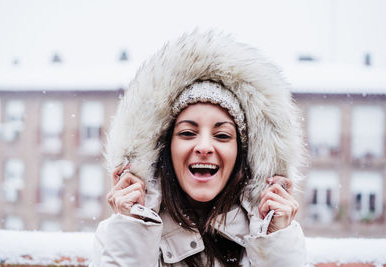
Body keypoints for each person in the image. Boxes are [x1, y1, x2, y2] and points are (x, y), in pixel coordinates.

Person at [91, 30, 307, 266]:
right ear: (165, 150)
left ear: (241, 155)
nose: (204, 147)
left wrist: (275, 245)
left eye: (222, 135)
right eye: (187, 133)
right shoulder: (119, 232)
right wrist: (134, 228)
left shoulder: (274, 238)